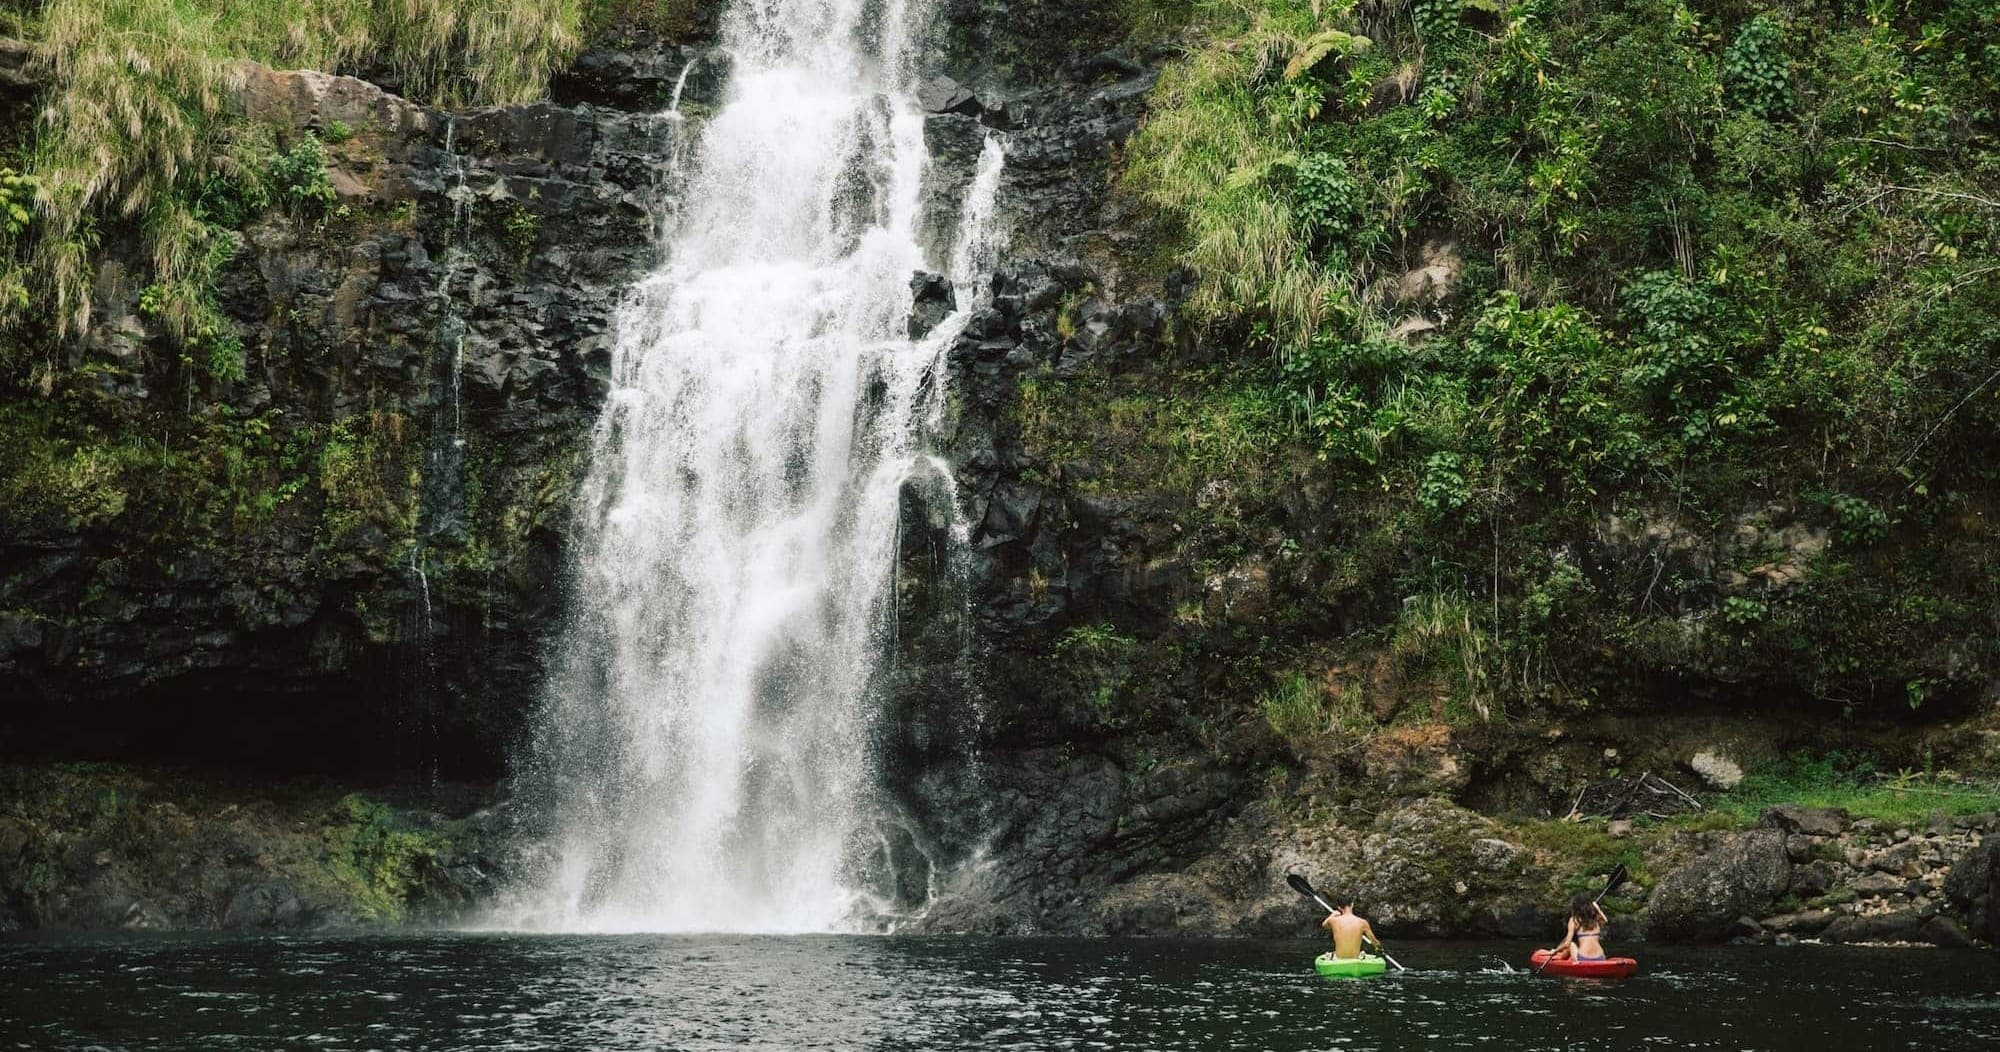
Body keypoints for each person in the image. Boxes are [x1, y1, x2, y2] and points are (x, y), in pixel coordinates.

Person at [1543, 894, 1609, 962]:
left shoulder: (1574, 920)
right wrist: (1598, 909)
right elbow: (1605, 920)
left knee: (1571, 944)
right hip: (1601, 957)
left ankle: (1559, 957)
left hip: (1584, 958)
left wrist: (1555, 951)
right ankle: (1561, 956)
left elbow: (1567, 944)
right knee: (1571, 945)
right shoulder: (1596, 920)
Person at [1320, 895, 1387, 961]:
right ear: (1352, 905)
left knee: (1328, 955)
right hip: (1355, 959)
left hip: (1339, 960)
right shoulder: (1363, 922)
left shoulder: (1333, 921)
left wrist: (1333, 914)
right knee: (1363, 954)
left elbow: (1324, 925)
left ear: (1339, 908)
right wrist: (1379, 948)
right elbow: (1375, 942)